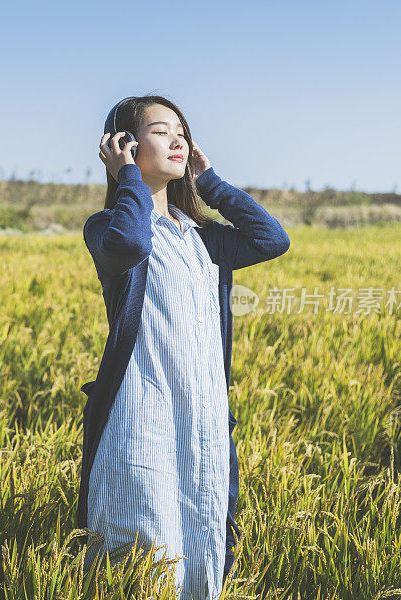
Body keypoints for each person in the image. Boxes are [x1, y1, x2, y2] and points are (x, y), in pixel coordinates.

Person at [79, 95, 290, 599]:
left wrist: (210, 182)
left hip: (203, 418)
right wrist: (128, 178)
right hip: (141, 414)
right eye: (159, 130)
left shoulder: (203, 239)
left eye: (182, 131)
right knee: (144, 554)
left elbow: (271, 239)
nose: (178, 139)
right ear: (124, 145)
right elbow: (131, 246)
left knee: (202, 542)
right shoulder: (106, 228)